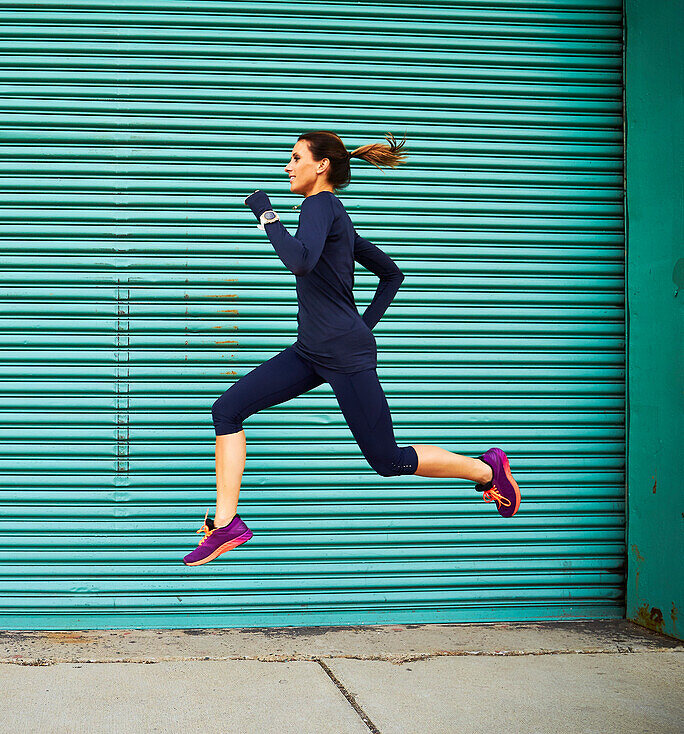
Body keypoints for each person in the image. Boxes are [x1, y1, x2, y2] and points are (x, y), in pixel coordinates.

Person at [183, 131, 520, 567]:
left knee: (387, 460)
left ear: (320, 166)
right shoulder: (334, 220)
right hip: (310, 352)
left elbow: (299, 261)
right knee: (227, 409)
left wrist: (264, 212)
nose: (288, 167)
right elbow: (390, 274)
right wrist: (357, 325)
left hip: (343, 356)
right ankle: (228, 523)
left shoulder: (320, 205)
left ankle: (489, 469)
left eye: (295, 157)